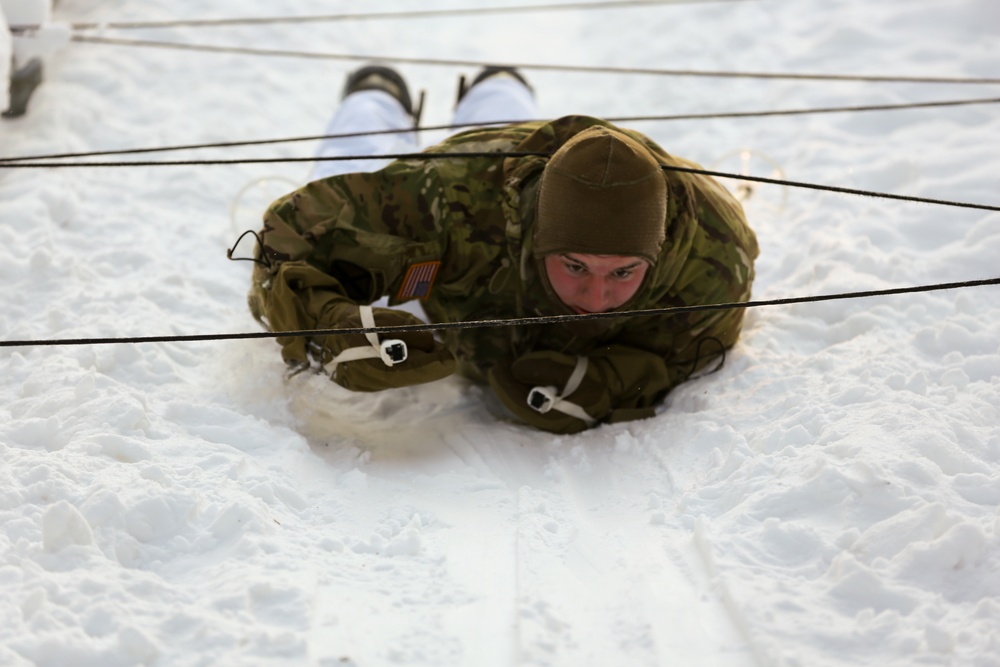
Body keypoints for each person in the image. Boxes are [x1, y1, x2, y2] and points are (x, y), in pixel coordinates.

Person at [243, 64, 759, 434]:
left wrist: (608, 380)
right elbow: (285, 247)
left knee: (503, 128)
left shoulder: (714, 259)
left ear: (659, 253)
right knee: (350, 169)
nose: (595, 295)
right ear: (537, 243)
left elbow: (686, 354)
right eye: (574, 264)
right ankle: (375, 95)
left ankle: (498, 85)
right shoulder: (449, 197)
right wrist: (327, 331)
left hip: (514, 171)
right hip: (478, 182)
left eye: (623, 272)